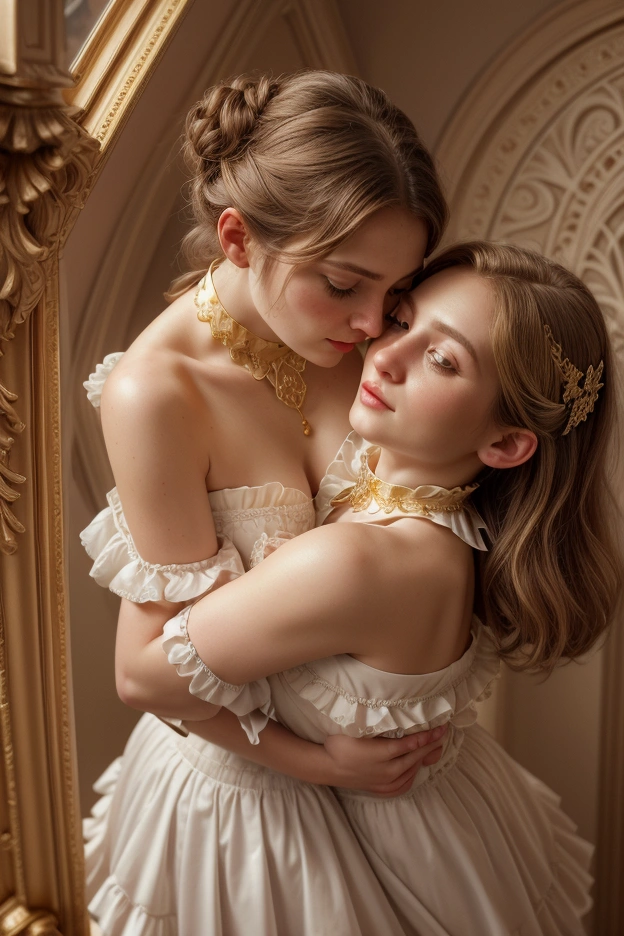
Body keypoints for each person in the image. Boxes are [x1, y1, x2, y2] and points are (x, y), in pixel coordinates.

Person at [152, 241, 620, 935]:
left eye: (443, 360)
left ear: (507, 445)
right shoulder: (395, 475)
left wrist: (146, 518)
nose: (384, 355)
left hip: (398, 851)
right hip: (449, 810)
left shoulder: (362, 564)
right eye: (403, 320)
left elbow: (142, 679)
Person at [81, 70, 450, 934]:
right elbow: (146, 674)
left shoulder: (365, 328)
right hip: (254, 797)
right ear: (238, 238)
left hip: (405, 762)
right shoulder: (156, 394)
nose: (373, 327)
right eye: (344, 284)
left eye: (395, 288)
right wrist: (326, 764)